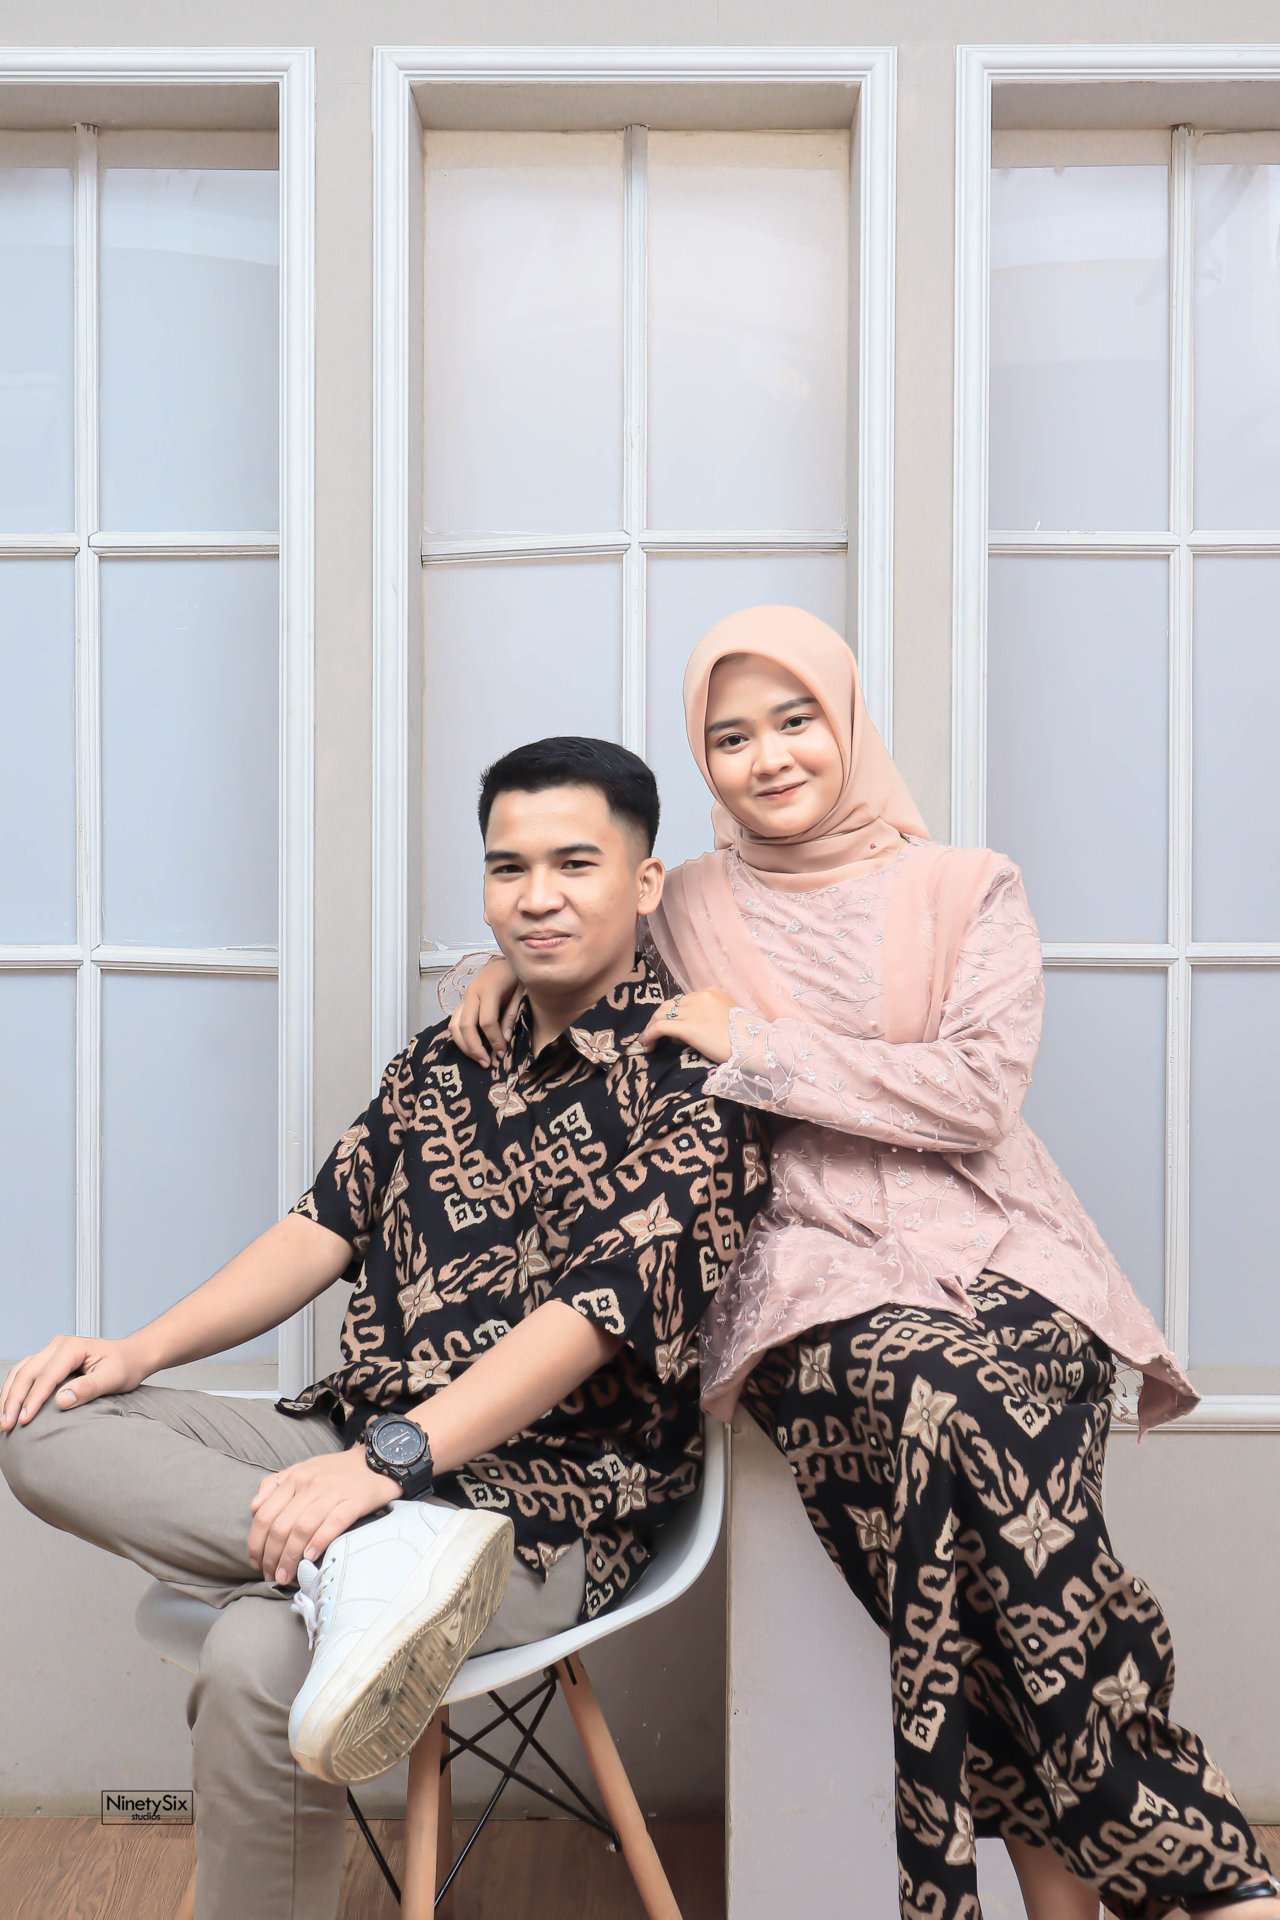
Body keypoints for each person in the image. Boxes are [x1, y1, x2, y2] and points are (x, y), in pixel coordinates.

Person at [448, 608, 1280, 1920]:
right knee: (940, 1405)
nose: (768, 756)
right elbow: (576, 932)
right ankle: (1199, 1872)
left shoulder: (968, 888)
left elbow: (975, 1097)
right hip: (814, 1274)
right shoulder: (689, 902)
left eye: (795, 720)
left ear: (846, 722)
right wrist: (490, 967)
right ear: (703, 759)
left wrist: (759, 1046)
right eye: (731, 736)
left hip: (1003, 1248)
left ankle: (1091, 1891)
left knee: (973, 1501)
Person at [1, 735, 767, 1920]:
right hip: (357, 1443)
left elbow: (589, 1319)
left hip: (549, 1507)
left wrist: (389, 1464)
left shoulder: (695, 1082)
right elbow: (320, 1227)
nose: (538, 896)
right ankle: (368, 1565)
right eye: (508, 868)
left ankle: (376, 1557)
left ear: (644, 881)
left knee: (255, 1654)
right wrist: (135, 1351)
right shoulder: (443, 1060)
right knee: (45, 1419)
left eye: (574, 864)